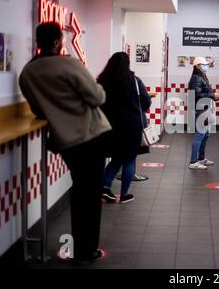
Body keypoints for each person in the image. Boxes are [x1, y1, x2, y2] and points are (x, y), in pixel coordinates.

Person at [19, 22, 111, 263]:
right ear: (58, 42)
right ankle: (87, 249)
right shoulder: (69, 64)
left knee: (80, 190)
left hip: (65, 142)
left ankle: (81, 248)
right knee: (91, 195)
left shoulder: (27, 73)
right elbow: (97, 96)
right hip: (91, 136)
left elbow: (38, 109)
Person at [97, 52, 152, 204]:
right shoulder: (134, 81)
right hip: (132, 126)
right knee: (129, 159)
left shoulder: (103, 81)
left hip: (111, 126)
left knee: (116, 158)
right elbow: (146, 102)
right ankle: (125, 194)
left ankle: (105, 188)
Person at [188, 57, 219, 170]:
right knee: (200, 135)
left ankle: (201, 158)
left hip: (204, 108)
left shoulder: (201, 77)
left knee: (206, 134)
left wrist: (214, 96)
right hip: (200, 109)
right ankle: (193, 161)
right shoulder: (196, 78)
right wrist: (213, 95)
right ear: (197, 66)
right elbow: (197, 95)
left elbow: (204, 92)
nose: (206, 66)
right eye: (204, 65)